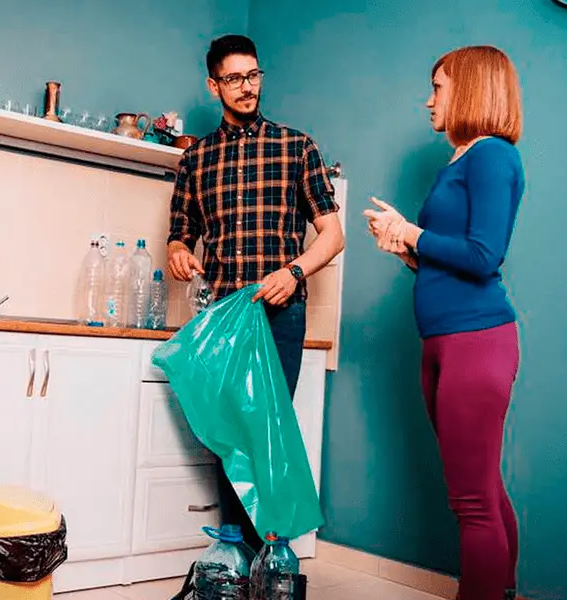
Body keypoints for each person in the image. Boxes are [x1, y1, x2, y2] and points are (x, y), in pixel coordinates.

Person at [167, 34, 345, 552]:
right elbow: (180, 234)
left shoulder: (297, 147)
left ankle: (265, 553)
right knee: (228, 436)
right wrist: (179, 251)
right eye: (233, 79)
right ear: (213, 84)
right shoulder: (195, 160)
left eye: (253, 76)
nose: (246, 88)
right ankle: (235, 553)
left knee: (264, 433)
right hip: (224, 317)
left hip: (280, 313)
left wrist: (293, 271)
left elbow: (332, 235)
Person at [363, 45, 523, 600]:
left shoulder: (492, 156)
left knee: (473, 503)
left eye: (437, 87)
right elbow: (452, 257)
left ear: (471, 89)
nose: (427, 100)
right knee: (483, 491)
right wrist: (405, 250)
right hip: (444, 341)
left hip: (477, 342)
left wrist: (411, 232)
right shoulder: (460, 158)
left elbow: (484, 256)